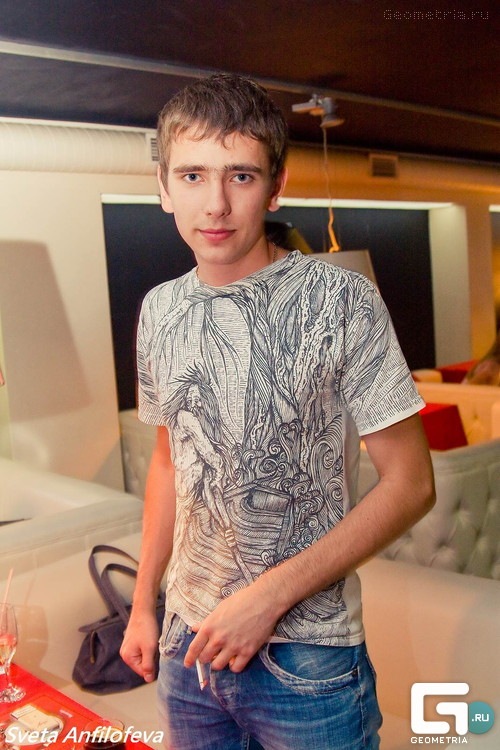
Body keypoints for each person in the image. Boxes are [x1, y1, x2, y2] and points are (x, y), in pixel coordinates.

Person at [120, 73, 435, 750]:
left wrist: (266, 599)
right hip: (187, 649)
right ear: (164, 186)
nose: (216, 204)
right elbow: (170, 465)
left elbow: (412, 485)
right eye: (193, 176)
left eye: (240, 176)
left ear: (276, 186)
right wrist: (144, 605)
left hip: (307, 660)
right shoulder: (159, 309)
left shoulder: (340, 300)